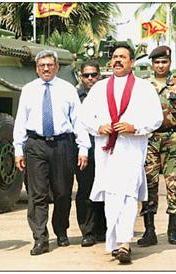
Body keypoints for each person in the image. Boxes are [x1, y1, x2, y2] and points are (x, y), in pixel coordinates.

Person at [80, 44, 163, 263]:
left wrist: (134, 127)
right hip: (107, 152)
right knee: (111, 198)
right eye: (115, 57)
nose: (118, 60)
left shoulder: (144, 88)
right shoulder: (99, 88)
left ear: (132, 62)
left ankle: (124, 243)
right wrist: (98, 127)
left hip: (131, 151)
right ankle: (114, 242)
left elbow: (156, 118)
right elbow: (85, 115)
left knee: (128, 196)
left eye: (123, 57)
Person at [13, 50, 90, 256]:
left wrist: (83, 148)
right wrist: (18, 149)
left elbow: (78, 120)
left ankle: (61, 230)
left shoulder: (68, 89)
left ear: (56, 67)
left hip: (63, 144)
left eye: (49, 65)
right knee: (37, 194)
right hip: (36, 144)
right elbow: (20, 119)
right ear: (37, 68)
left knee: (63, 192)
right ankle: (40, 238)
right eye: (41, 65)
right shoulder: (28, 90)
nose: (46, 68)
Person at [137, 46, 176, 247]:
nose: (160, 66)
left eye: (164, 62)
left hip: (173, 137)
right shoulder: (142, 85)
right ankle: (150, 230)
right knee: (148, 184)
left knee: (175, 185)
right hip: (149, 139)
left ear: (169, 63)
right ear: (152, 64)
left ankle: (172, 229)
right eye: (157, 62)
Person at [75, 60, 107, 247]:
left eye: (93, 75)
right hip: (83, 150)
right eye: (86, 75)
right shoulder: (75, 95)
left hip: (105, 148)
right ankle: (87, 231)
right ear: (81, 77)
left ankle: (103, 228)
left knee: (105, 188)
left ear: (99, 75)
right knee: (85, 189)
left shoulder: (106, 93)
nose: (90, 79)